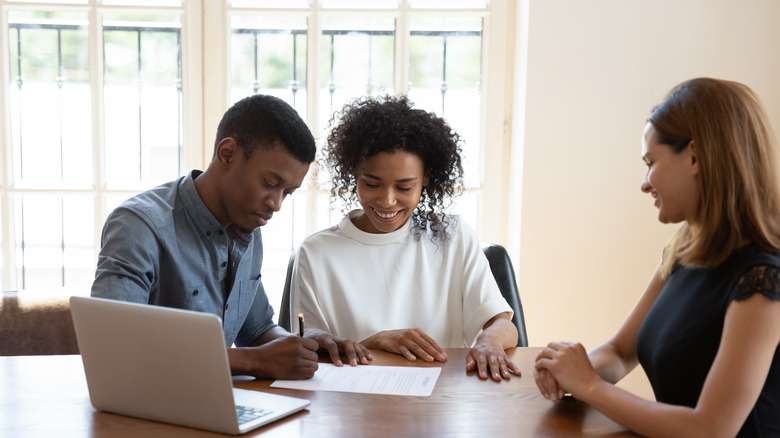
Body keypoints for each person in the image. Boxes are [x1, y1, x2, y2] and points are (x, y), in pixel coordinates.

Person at [534, 78, 780, 437]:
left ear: (695, 156)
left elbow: (710, 429)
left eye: (651, 161)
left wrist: (589, 385)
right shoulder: (683, 252)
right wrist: (570, 370)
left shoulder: (762, 281)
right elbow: (619, 352)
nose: (645, 182)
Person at [289, 95, 520, 382]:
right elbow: (308, 347)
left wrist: (489, 341)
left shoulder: (452, 236)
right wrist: (375, 341)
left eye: (404, 186)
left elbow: (503, 323)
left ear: (425, 179)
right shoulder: (316, 253)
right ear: (354, 175)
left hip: (439, 401)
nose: (387, 201)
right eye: (371, 184)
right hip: (353, 405)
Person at [91, 94, 322, 380]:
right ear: (227, 154)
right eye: (270, 184)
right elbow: (115, 346)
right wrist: (251, 361)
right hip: (146, 409)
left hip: (216, 403)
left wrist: (305, 346)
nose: (276, 204)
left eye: (287, 192)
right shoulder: (139, 226)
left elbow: (258, 331)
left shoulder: (248, 224)